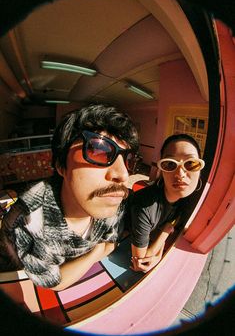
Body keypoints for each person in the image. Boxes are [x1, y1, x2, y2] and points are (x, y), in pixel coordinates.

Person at [0, 104, 139, 290]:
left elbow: (118, 235)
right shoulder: (27, 221)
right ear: (61, 166)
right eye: (99, 150)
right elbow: (53, 283)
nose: (123, 174)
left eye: (128, 159)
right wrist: (96, 252)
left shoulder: (115, 198)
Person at [131, 134, 205, 272]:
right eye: (170, 164)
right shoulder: (144, 206)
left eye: (191, 163)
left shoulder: (189, 198)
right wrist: (165, 233)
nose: (181, 174)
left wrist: (165, 232)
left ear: (200, 170)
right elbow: (140, 260)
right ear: (162, 169)